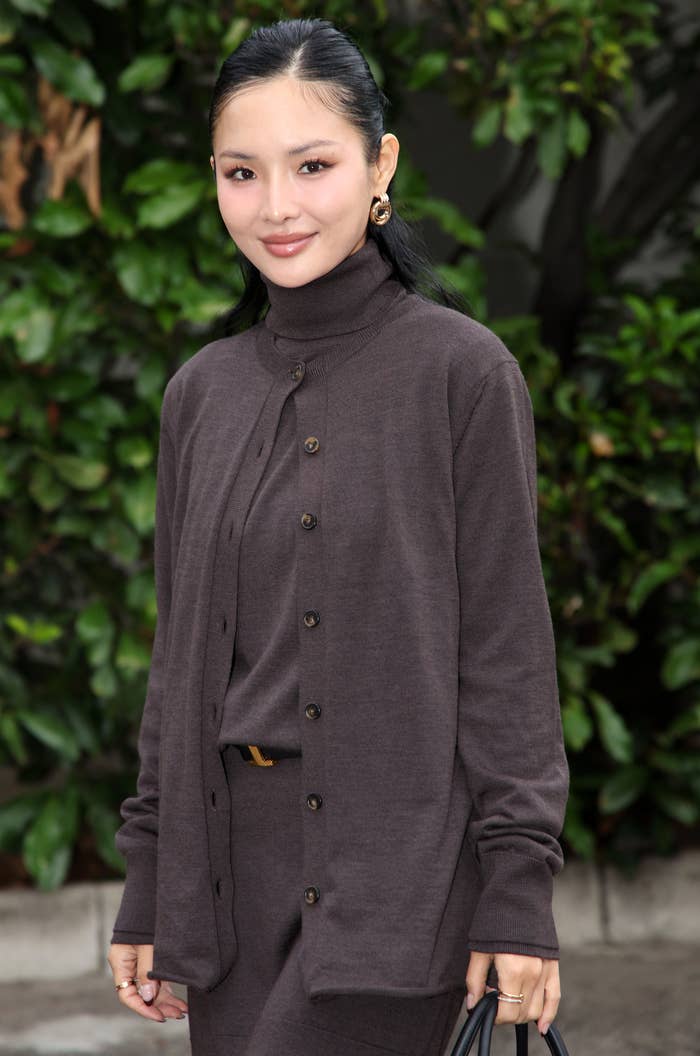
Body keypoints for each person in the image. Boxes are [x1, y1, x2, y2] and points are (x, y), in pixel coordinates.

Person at [107, 16, 570, 1056]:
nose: (274, 207)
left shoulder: (461, 374)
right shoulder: (200, 395)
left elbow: (503, 654)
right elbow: (179, 663)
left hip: (400, 882)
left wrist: (516, 895)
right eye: (240, 172)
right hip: (229, 890)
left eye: (312, 165)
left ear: (380, 165)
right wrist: (148, 882)